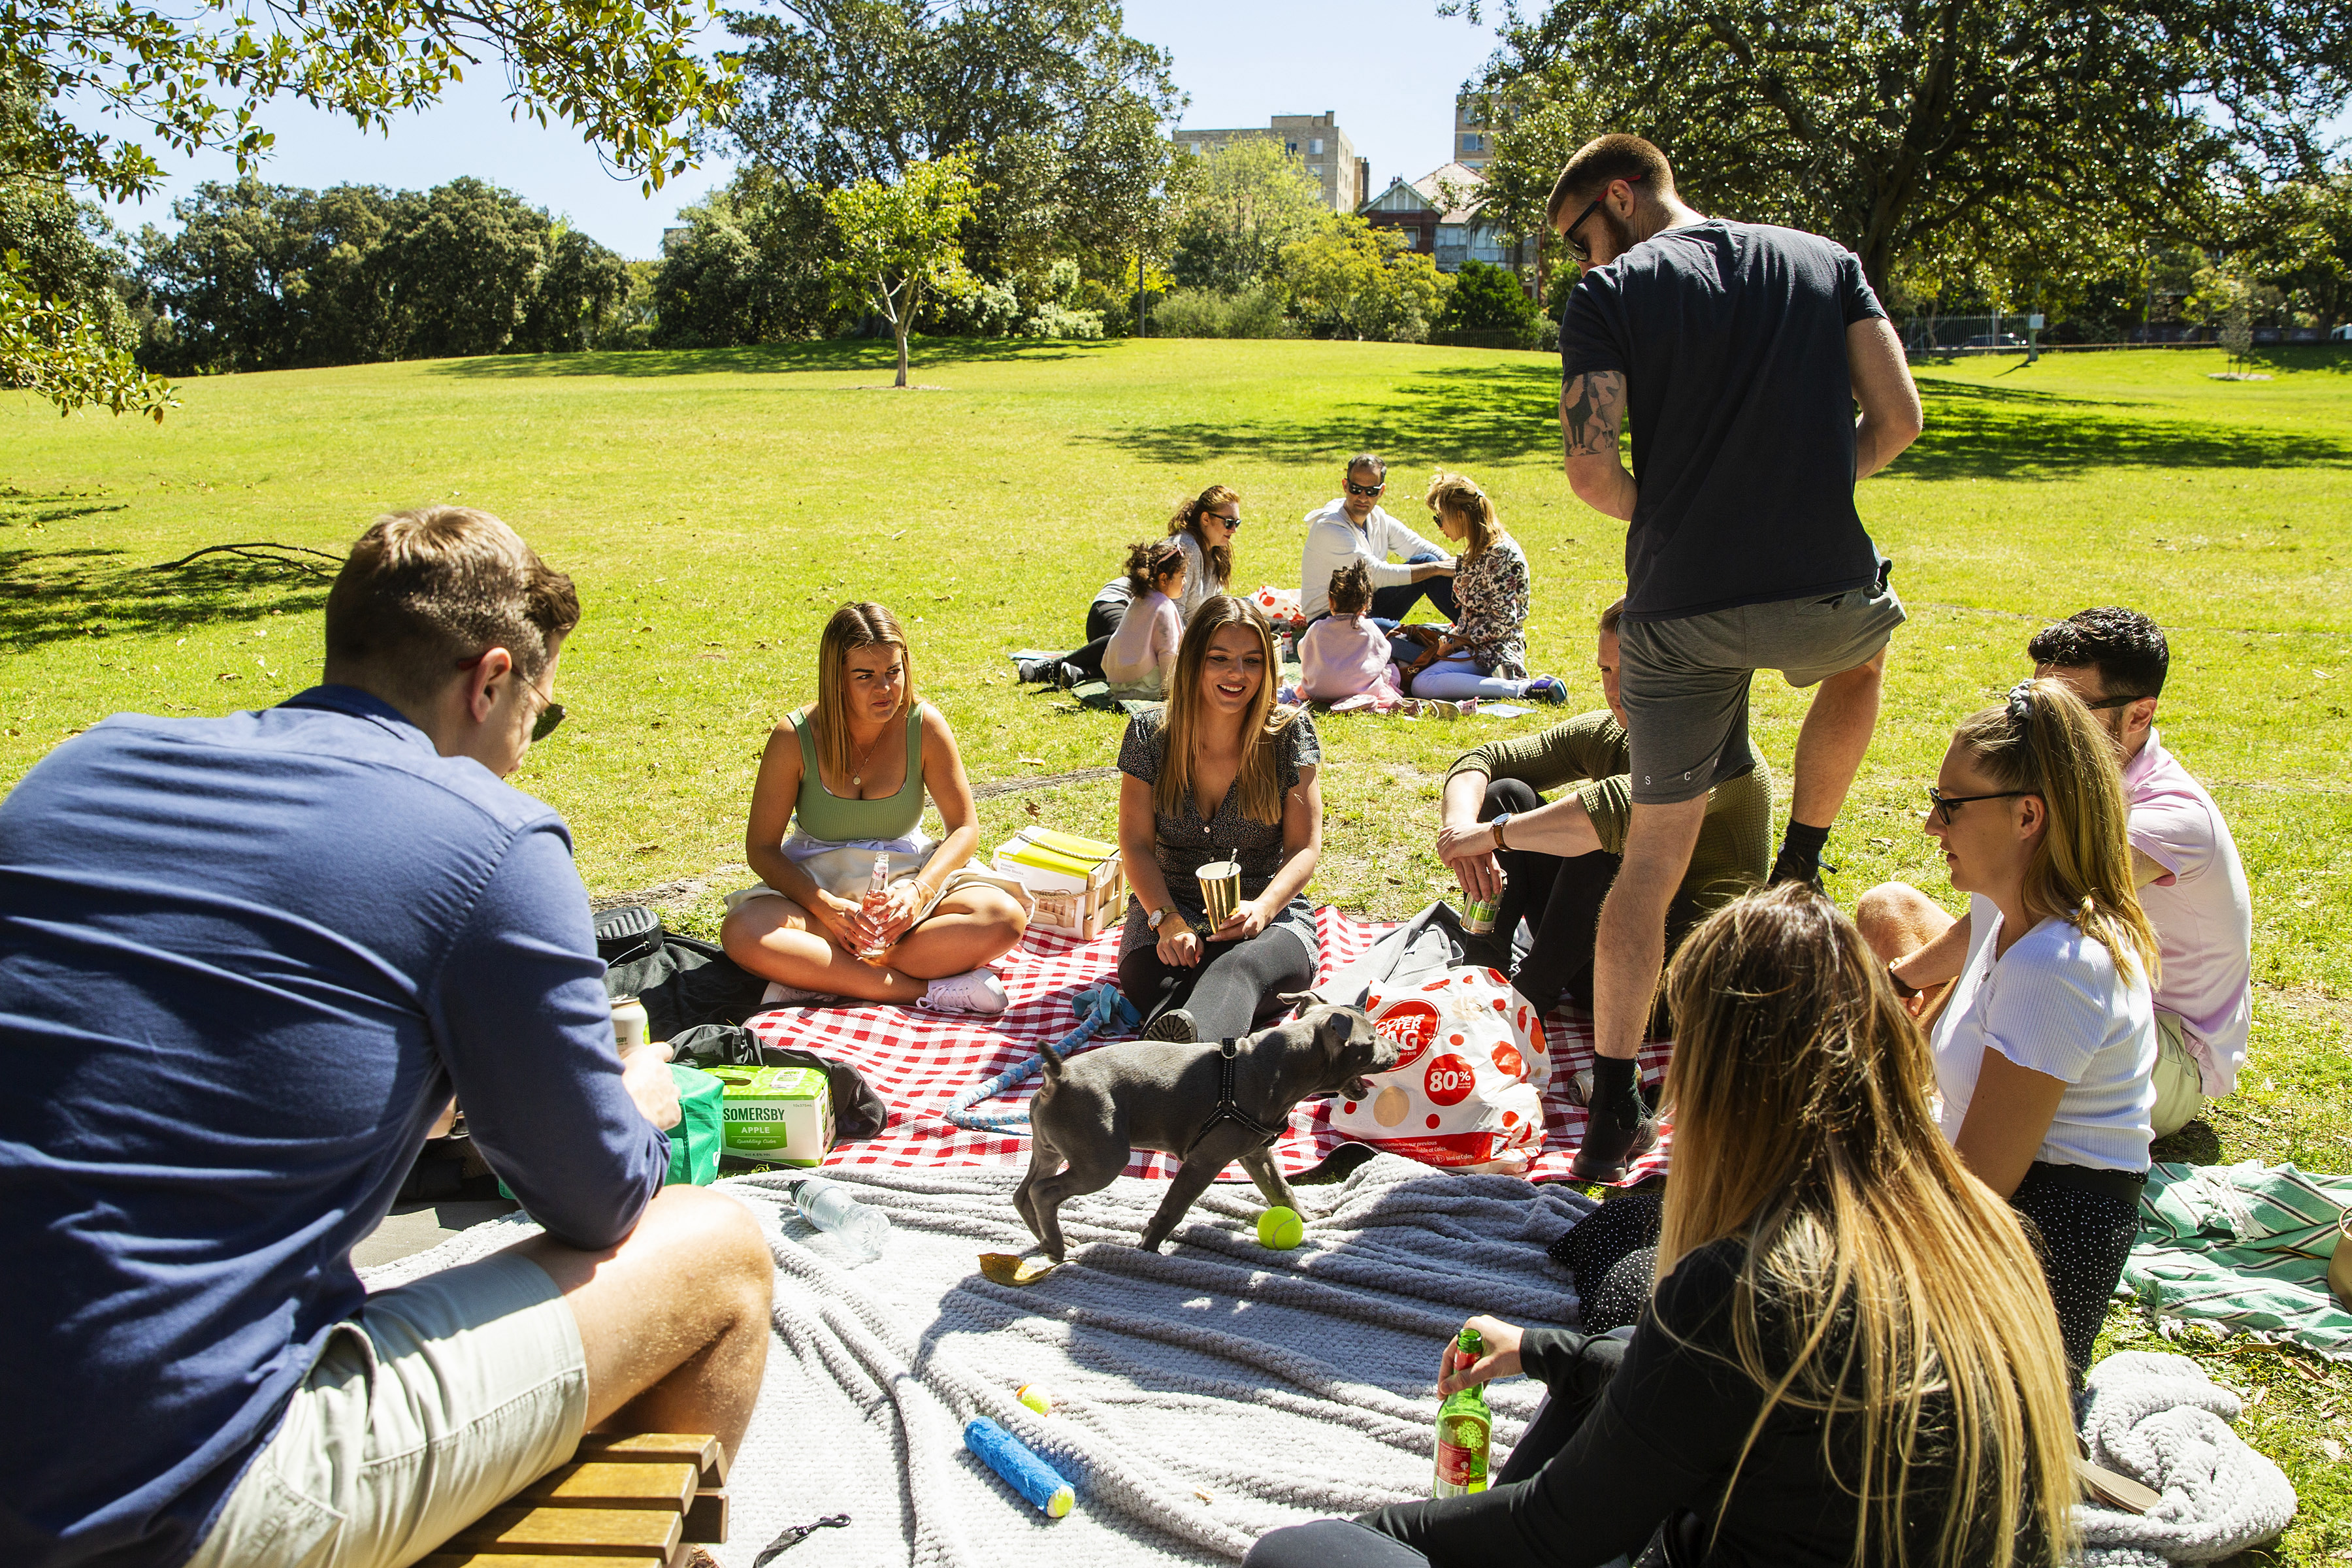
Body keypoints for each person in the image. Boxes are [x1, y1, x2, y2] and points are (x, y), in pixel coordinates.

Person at [0, 506, 775, 1568]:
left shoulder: (83, 768)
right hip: (147, 1495)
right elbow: (592, 1196)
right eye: (537, 723)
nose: (520, 759)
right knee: (716, 1253)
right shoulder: (491, 837)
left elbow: (162, 1062)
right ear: (490, 680)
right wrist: (636, 1101)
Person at [1244, 885, 2080, 1568]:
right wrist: (1544, 1351)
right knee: (1592, 1380)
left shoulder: (1753, 1283)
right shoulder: (1976, 1228)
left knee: (1296, 1559)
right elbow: (1682, 1378)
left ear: (1721, 1075)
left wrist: (1374, 1535)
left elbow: (1554, 1530)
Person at [1547, 132, 1925, 1180]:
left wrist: (1676, 515)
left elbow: (1591, 475)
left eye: (1582, 236)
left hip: (1680, 609)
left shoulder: (1610, 296)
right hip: (1825, 592)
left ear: (1620, 195)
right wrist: (1812, 491)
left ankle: (1615, 1103)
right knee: (1861, 662)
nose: (1582, 262)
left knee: (1651, 867)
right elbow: (1899, 420)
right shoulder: (1825, 259)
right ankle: (1802, 857)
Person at [1860, 679, 2161, 1375]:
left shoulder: (2057, 967)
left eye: (1950, 806)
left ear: (2029, 816)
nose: (1932, 826)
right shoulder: (2006, 916)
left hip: (2011, 1297)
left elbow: (1977, 1195)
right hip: (1980, 1251)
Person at [1865, 608, 2250, 1139]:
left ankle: (1909, 1074)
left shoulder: (2172, 818)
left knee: (2011, 927)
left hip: (2166, 1054)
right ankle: (1910, 1061)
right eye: (2036, 701)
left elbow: (2032, 912)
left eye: (2068, 710)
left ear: (2138, 716)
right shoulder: (2065, 784)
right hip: (2070, 988)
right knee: (1890, 907)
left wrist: (1899, 982)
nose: (2037, 727)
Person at [1435, 600, 1771, 1025]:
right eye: (1606, 671)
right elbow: (1486, 760)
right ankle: (1482, 973)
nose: (1615, 690)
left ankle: (1526, 1000)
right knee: (1507, 795)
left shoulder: (1721, 752)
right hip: (1602, 959)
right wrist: (1460, 830)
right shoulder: (1611, 734)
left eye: (1632, 670)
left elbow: (1611, 811)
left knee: (1601, 842)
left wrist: (1491, 837)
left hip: (1679, 988)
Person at [721, 602, 1029, 1014]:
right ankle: (923, 991)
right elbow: (761, 847)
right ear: (836, 680)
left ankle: (820, 974)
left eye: (893, 672)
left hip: (904, 878)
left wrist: (918, 894)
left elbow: (964, 829)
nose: (885, 689)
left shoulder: (925, 725)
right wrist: (826, 908)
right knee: (744, 932)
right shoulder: (794, 736)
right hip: (816, 886)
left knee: (1003, 918)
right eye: (865, 677)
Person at [1117, 596, 1324, 1044]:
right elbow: (1134, 845)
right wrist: (1166, 919)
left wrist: (1263, 909)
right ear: (1193, 663)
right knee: (1163, 979)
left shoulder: (1289, 733)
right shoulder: (1149, 734)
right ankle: (1200, 1060)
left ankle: (1175, 1066)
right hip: (1168, 911)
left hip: (1267, 914)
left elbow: (1304, 848)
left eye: (1252, 661)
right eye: (1220, 659)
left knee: (1238, 968)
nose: (1238, 674)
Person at [1020, 484, 1242, 685]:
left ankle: (1079, 673)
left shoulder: (1217, 556)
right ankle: (1049, 668)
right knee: (1136, 646)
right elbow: (1175, 617)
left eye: (1237, 523)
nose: (1233, 530)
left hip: (1153, 623)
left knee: (1150, 657)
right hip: (1116, 605)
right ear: (1206, 518)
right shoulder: (1186, 548)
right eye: (1229, 522)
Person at [1397, 472, 1568, 706]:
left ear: (1460, 515)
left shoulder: (1499, 553)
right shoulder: (1476, 550)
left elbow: (1504, 620)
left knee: (1423, 683)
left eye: (1441, 519)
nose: (1440, 527)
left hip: (1494, 651)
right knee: (1408, 657)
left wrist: (1459, 641)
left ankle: (1525, 688)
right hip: (1471, 647)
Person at [1298, 453, 1458, 634]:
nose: (1363, 497)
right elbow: (1377, 574)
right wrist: (1438, 568)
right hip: (1329, 618)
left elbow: (1418, 546)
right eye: (1356, 489)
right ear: (1345, 486)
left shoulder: (1377, 518)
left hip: (1366, 606)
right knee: (1405, 637)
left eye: (1371, 491)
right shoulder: (1329, 527)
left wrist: (1456, 571)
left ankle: (1473, 627)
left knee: (1427, 560)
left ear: (1381, 491)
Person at [1297, 562, 1404, 708]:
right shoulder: (1368, 628)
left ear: (1330, 601)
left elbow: (1303, 650)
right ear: (1366, 604)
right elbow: (1384, 653)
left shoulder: (1317, 628)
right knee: (1392, 671)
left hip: (1319, 690)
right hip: (1361, 690)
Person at [1099, 540, 1187, 698]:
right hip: (1144, 682)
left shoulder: (1140, 599)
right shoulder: (1164, 606)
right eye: (1182, 576)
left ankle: (1125, 693)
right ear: (1164, 578)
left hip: (1118, 678)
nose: (1185, 582)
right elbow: (1168, 652)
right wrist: (1170, 693)